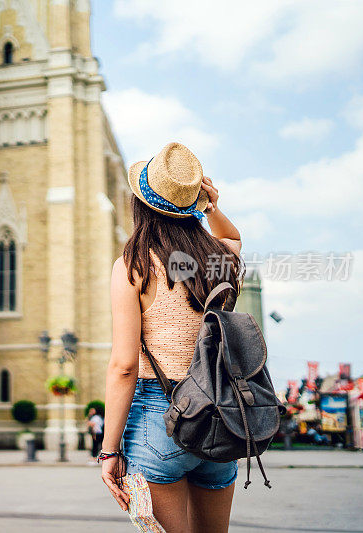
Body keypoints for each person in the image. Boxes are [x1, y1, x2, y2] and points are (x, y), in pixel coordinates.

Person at [100, 143, 243, 532]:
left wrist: (108, 451)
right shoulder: (222, 259)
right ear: (193, 202)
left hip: (158, 414)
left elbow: (124, 366)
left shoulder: (134, 265)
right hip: (220, 413)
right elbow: (234, 239)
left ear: (141, 204)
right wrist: (211, 208)